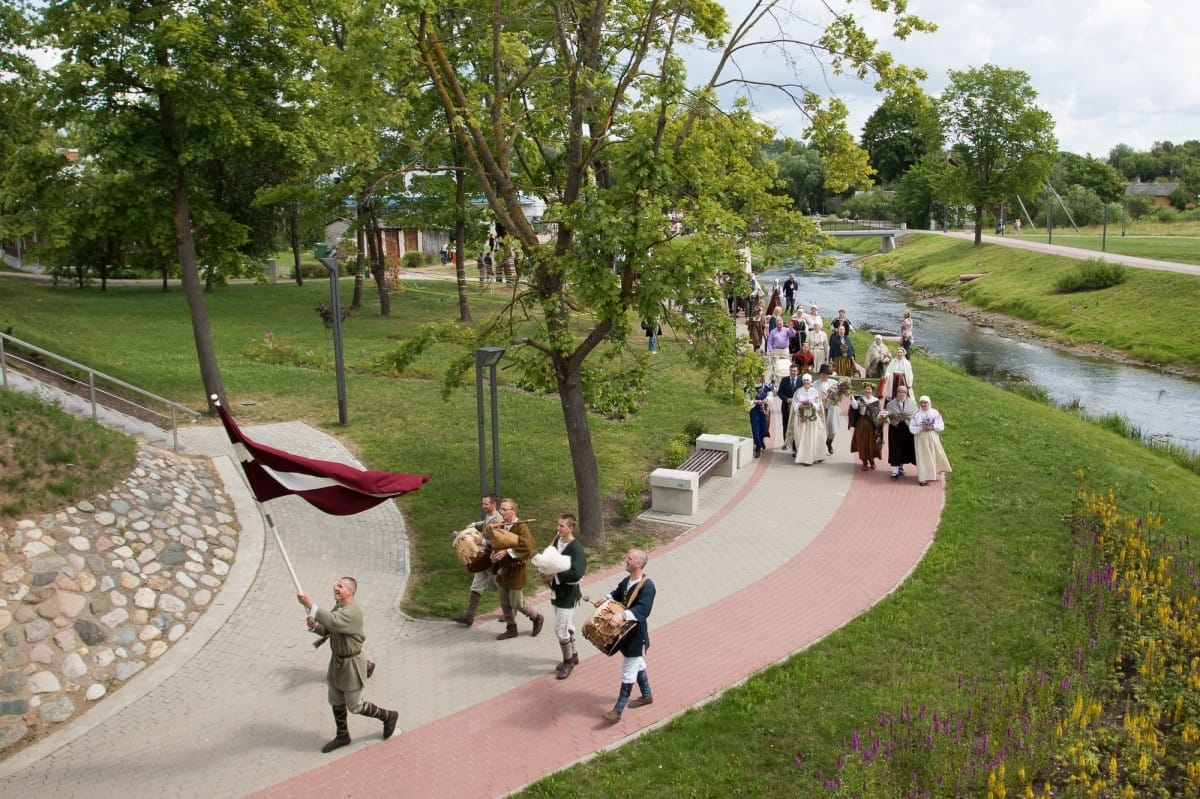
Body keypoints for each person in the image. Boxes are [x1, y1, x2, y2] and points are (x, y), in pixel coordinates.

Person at [297, 577, 399, 753]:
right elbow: (329, 627)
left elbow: (334, 621)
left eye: (340, 586)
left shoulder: (353, 613)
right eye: (336, 584)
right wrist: (315, 626)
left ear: (350, 592)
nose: (335, 587)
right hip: (337, 664)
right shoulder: (339, 607)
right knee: (335, 700)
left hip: (351, 666)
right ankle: (342, 736)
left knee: (355, 705)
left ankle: (388, 716)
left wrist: (310, 605)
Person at [597, 549, 656, 723]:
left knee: (628, 671)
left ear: (638, 563)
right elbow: (617, 593)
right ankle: (647, 695)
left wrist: (622, 615)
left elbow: (643, 610)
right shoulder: (628, 580)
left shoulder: (648, 586)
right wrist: (605, 598)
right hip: (625, 633)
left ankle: (617, 711)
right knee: (637, 664)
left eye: (629, 558)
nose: (626, 560)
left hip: (635, 635)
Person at [490, 498, 544, 640]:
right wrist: (494, 555)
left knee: (517, 603)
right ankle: (511, 628)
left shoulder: (521, 527)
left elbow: (528, 547)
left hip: (516, 570)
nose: (501, 512)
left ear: (512, 511)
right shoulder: (501, 526)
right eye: (500, 509)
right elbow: (497, 543)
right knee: (504, 601)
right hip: (504, 570)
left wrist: (508, 552)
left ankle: (537, 617)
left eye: (504, 509)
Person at [544, 514, 587, 679]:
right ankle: (574, 655)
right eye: (558, 525)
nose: (558, 528)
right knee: (567, 625)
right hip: (557, 591)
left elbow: (576, 573)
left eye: (562, 526)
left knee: (560, 629)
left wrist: (553, 576)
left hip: (568, 594)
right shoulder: (557, 542)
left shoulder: (576, 548)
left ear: (571, 528)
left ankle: (567, 661)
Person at [453, 493, 501, 626]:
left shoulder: (498, 520)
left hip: (493, 561)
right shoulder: (490, 516)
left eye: (486, 504)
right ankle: (469, 617)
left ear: (493, 504)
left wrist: (483, 541)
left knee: (503, 588)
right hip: (482, 559)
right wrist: (474, 524)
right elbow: (485, 524)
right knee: (476, 586)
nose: (483, 506)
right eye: (483, 503)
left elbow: (499, 542)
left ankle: (514, 611)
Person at [909, 395, 953, 486]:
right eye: (922, 402)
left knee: (934, 454)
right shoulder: (916, 414)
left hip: (932, 436)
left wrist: (932, 427)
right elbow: (912, 427)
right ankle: (923, 478)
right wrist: (921, 428)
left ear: (929, 403)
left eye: (925, 402)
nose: (923, 404)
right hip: (921, 438)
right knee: (923, 457)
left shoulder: (934, 412)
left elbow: (941, 425)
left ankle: (935, 471)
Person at [883, 384, 918, 480]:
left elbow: (915, 415)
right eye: (900, 391)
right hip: (895, 429)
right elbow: (887, 416)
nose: (902, 393)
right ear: (897, 393)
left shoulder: (912, 403)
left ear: (906, 393)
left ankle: (903, 467)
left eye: (904, 392)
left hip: (908, 429)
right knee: (895, 449)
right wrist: (890, 420)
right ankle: (895, 471)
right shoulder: (890, 404)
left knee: (909, 448)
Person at [789, 373, 825, 465]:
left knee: (814, 436)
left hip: (812, 417)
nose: (806, 382)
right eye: (804, 380)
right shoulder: (798, 391)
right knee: (802, 437)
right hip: (802, 417)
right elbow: (795, 403)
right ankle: (805, 458)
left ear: (810, 381)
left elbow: (819, 404)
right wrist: (799, 405)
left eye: (808, 380)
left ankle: (815, 456)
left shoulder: (815, 392)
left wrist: (812, 404)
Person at [847, 383, 883, 471]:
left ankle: (872, 461)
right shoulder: (860, 399)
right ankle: (864, 462)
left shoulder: (876, 400)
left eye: (869, 389)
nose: (868, 391)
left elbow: (878, 413)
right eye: (866, 389)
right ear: (864, 390)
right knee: (862, 442)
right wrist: (852, 399)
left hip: (872, 424)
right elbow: (855, 406)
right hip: (862, 423)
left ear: (872, 390)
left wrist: (879, 425)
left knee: (871, 443)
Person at [812, 363, 841, 457]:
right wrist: (820, 397)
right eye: (822, 373)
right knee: (821, 428)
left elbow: (840, 394)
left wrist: (835, 392)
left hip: (832, 408)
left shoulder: (834, 383)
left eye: (825, 373)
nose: (824, 375)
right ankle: (821, 446)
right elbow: (813, 395)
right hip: (820, 409)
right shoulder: (815, 384)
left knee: (833, 429)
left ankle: (829, 442)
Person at [775, 363, 802, 452]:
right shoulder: (784, 380)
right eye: (791, 371)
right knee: (786, 424)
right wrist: (786, 399)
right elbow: (779, 392)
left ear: (798, 372)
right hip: (786, 406)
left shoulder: (801, 381)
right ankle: (786, 442)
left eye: (794, 371)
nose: (793, 372)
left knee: (795, 425)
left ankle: (795, 445)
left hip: (797, 408)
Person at [748, 371, 773, 458]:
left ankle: (761, 440)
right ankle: (758, 446)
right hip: (754, 410)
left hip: (764, 410)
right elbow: (747, 399)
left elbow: (770, 395)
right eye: (756, 376)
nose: (758, 378)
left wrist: (767, 399)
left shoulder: (766, 386)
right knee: (755, 429)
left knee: (764, 427)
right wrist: (755, 401)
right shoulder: (750, 388)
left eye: (759, 376)